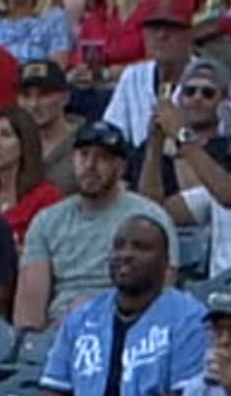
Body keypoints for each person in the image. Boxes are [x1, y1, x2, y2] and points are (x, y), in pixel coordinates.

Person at [37, 212, 207, 396]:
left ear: (166, 262)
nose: (125, 254)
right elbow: (50, 390)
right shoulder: (82, 318)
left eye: (141, 247)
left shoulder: (190, 318)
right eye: (118, 246)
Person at [13, 120, 156, 328]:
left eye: (102, 158)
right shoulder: (47, 220)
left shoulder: (148, 219)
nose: (90, 166)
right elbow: (28, 310)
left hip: (125, 328)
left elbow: (156, 299)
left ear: (121, 166)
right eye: (84, 155)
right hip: (57, 334)